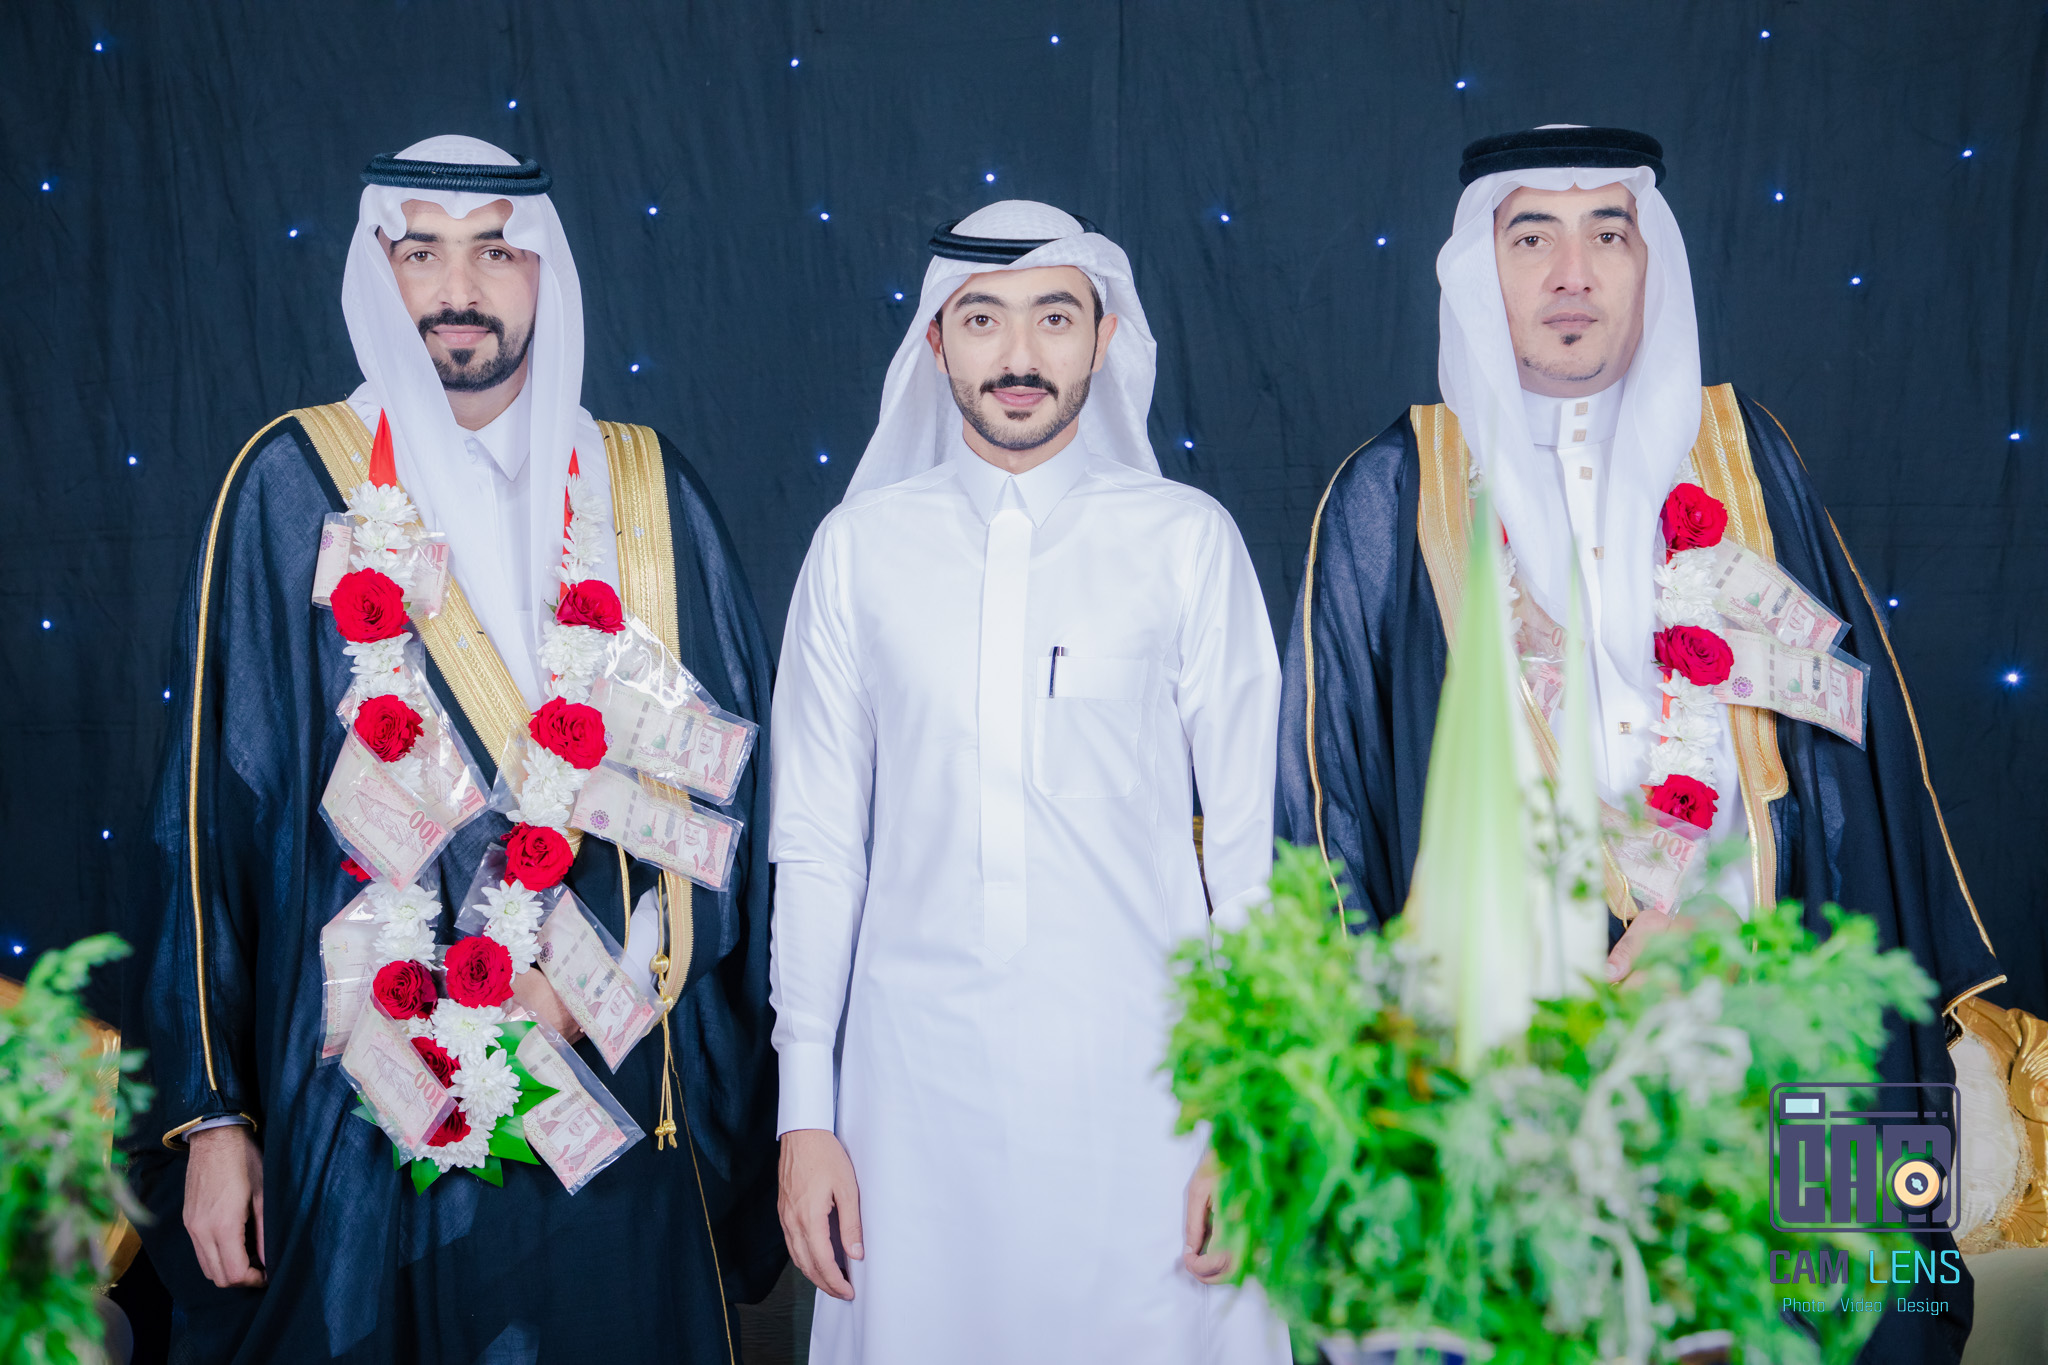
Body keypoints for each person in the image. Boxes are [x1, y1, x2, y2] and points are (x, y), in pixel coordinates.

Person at [1277, 125, 2003, 1363]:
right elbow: (1326, 809)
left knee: (1824, 1320)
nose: (1571, 274)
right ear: (1478, 268)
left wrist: (1721, 929)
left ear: (1646, 261)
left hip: (1756, 1016)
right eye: (1531, 238)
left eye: (1605, 234)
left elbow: (1845, 760)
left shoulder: (1740, 460)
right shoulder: (1393, 496)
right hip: (1506, 1050)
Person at [127, 135, 781, 1362]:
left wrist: (598, 985)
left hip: (609, 1076)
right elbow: (208, 822)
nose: (458, 288)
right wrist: (211, 1119)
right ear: (379, 272)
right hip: (355, 1094)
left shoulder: (643, 488)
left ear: (545, 273)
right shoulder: (288, 485)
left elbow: (734, 809)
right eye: (420, 252)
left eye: (495, 251)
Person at [769, 201, 1290, 1363]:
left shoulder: (1184, 540)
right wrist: (806, 1111)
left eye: (1053, 318)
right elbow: (816, 842)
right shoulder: (857, 550)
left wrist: (1252, 1113)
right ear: (933, 343)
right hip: (910, 1100)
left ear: (1103, 339)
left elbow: (1247, 847)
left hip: (1152, 1093)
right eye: (981, 320)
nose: (1017, 355)